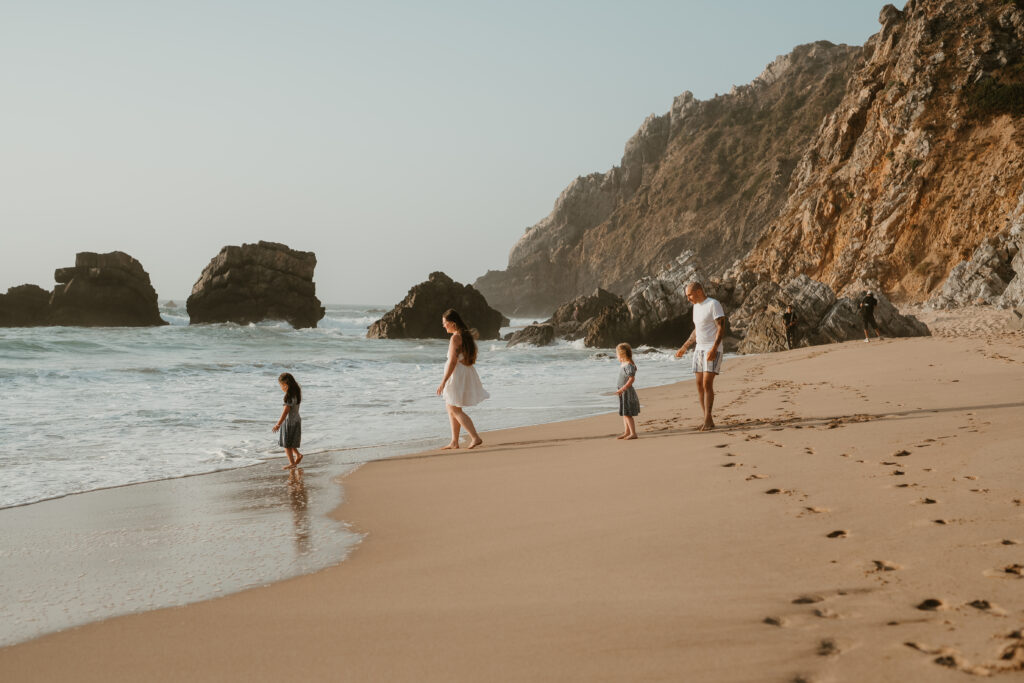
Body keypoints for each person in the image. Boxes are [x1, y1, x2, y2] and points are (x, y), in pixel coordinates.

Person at [674, 281, 726, 431]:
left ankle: (708, 418)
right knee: (699, 385)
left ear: (698, 291)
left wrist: (714, 348)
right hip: (699, 349)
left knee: (706, 383)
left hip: (712, 348)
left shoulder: (713, 304)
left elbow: (721, 327)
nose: (688, 298)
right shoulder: (695, 307)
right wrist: (685, 347)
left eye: (689, 295)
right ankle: (706, 418)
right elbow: (697, 330)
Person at [436, 308, 488, 449]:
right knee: (451, 407)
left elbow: (453, 361)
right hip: (464, 372)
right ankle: (454, 442)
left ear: (452, 323)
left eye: (445, 323)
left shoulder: (455, 338)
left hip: (457, 374)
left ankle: (475, 437)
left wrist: (443, 381)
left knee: (455, 409)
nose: (443, 326)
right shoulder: (465, 336)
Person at [272, 372, 303, 470]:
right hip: (297, 420)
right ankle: (298, 455)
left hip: (289, 422)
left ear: (285, 385)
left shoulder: (289, 396)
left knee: (286, 444)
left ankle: (292, 463)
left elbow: (285, 412)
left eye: (281, 385)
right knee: (291, 442)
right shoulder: (297, 393)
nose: (281, 388)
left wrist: (278, 424)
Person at [615, 343, 640, 440]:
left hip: (626, 392)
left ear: (621, 355)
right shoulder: (624, 363)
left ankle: (633, 433)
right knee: (624, 413)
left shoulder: (628, 365)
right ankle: (627, 432)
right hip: (622, 391)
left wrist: (623, 388)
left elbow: (631, 379)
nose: (616, 356)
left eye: (617, 354)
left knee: (627, 414)